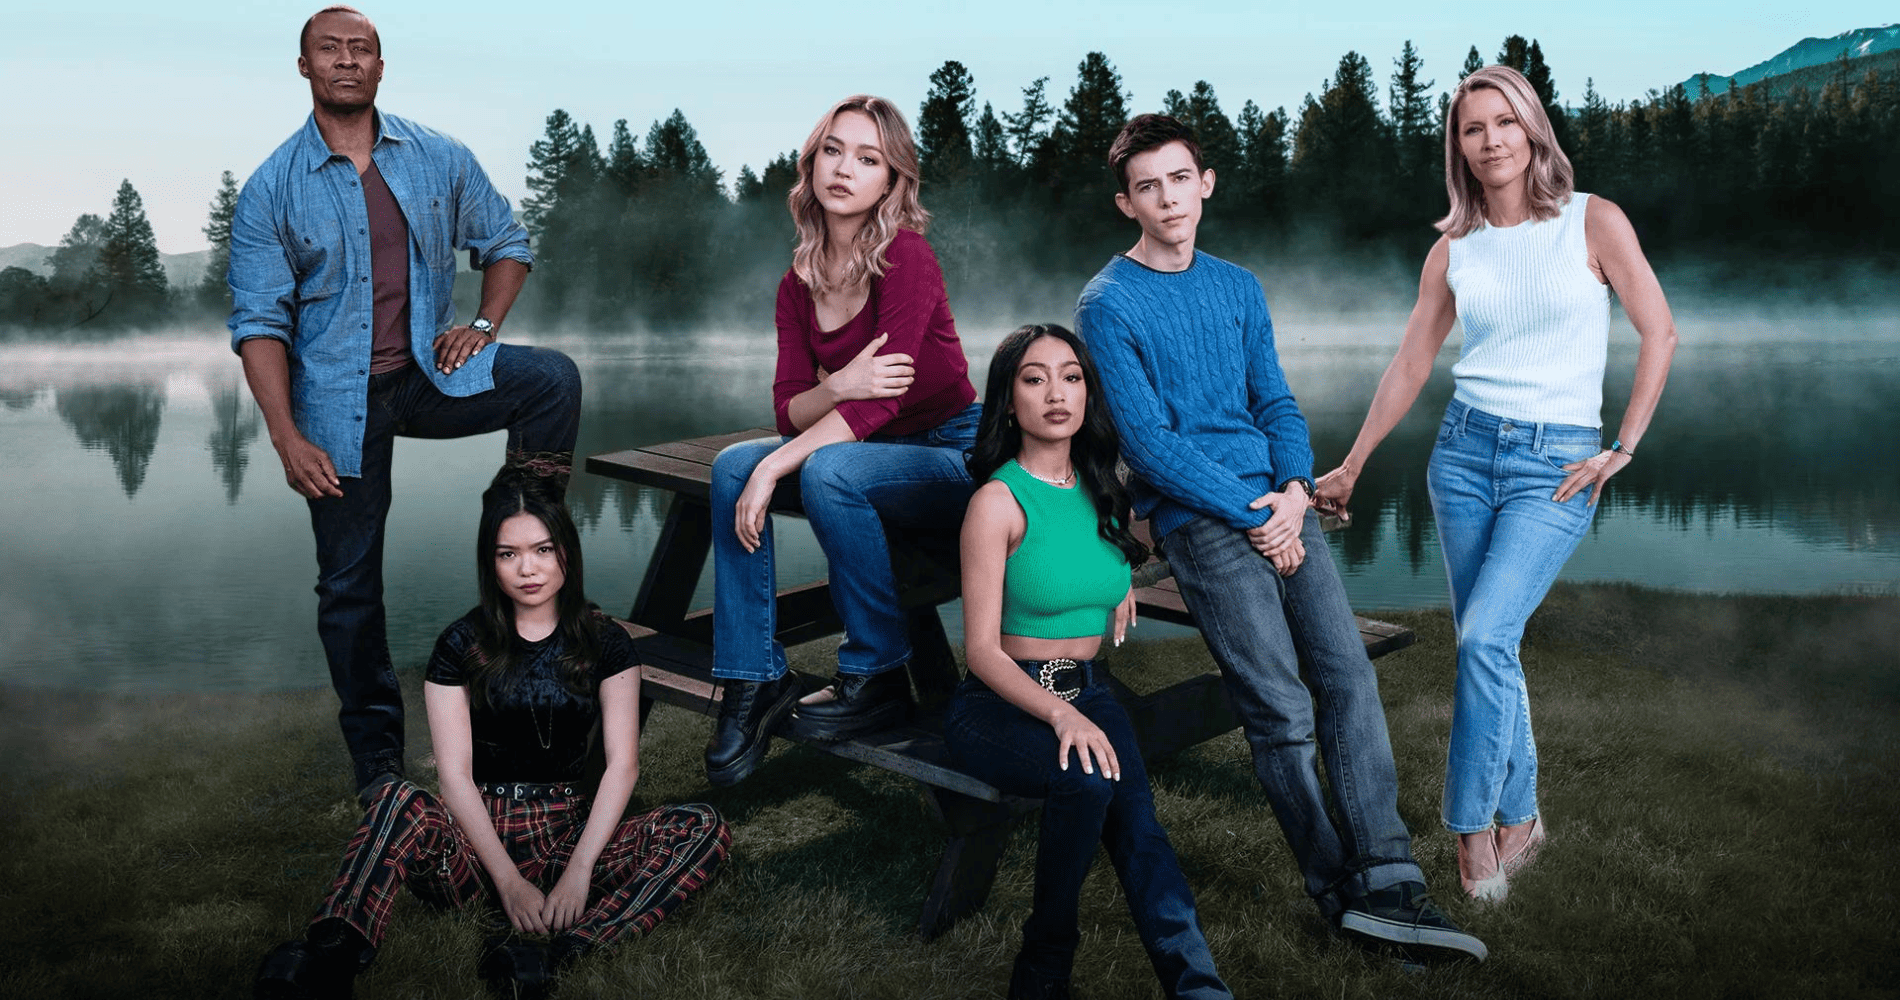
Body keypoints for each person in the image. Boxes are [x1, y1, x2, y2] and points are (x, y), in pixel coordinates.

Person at [1074, 113, 1486, 961]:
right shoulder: (1107, 303)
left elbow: (1276, 404)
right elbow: (1150, 446)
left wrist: (1296, 490)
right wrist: (1259, 512)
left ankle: (1390, 876)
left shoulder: (1239, 286)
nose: (1167, 197)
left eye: (1179, 178)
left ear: (1205, 183)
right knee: (1279, 708)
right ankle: (1336, 889)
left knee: (1345, 678)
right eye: (1147, 186)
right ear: (1127, 203)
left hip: (1278, 507)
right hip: (1201, 520)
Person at [1313, 66, 1677, 901]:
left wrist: (1621, 447)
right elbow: (1412, 362)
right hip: (1465, 457)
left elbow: (1660, 332)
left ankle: (1472, 834)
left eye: (1505, 122)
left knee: (1481, 641)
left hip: (1559, 464)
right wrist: (1355, 460)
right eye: (1473, 129)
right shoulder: (1453, 248)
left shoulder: (1596, 221)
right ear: (1459, 147)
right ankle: (1525, 816)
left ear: (1533, 129)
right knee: (1492, 641)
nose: (1491, 141)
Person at [228, 6, 582, 803]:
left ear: (381, 67)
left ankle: (521, 530)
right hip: (335, 405)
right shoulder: (271, 188)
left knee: (552, 378)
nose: (346, 61)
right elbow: (258, 326)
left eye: (362, 50)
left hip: (428, 374)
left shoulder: (436, 157)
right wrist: (286, 437)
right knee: (349, 587)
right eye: (330, 50)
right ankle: (379, 765)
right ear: (304, 66)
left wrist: (484, 325)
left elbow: (508, 241)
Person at [254, 472, 729, 999]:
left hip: (565, 831)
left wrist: (578, 872)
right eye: (509, 554)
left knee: (701, 826)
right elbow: (454, 777)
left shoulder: (608, 643)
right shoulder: (461, 643)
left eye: (542, 549)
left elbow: (622, 765)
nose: (528, 568)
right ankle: (332, 955)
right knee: (395, 797)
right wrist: (506, 882)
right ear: (492, 562)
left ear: (566, 552)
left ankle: (567, 951)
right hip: (474, 845)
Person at [947, 324, 1233, 1000]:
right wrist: (1059, 717)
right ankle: (1045, 966)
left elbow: (1103, 554)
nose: (1056, 393)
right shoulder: (996, 502)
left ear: (1088, 393)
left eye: (1071, 376)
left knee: (1141, 830)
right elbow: (982, 650)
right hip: (1001, 704)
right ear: (1007, 400)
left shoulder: (1106, 490)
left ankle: (1199, 989)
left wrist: (1120, 582)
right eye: (1034, 378)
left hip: (1090, 691)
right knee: (1086, 782)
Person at [703, 95, 981, 786]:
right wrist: (842, 383)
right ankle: (752, 680)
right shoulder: (795, 286)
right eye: (833, 150)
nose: (845, 169)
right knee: (735, 465)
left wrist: (785, 465)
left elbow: (883, 404)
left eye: (868, 158)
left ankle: (878, 670)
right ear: (812, 163)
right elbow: (789, 410)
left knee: (825, 473)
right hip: (867, 444)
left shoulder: (907, 259)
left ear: (892, 181)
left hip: (955, 451)